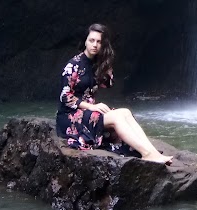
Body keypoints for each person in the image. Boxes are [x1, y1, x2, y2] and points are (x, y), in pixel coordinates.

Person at [56, 23, 171, 164]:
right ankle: (147, 154)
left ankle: (152, 152)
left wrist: (106, 60)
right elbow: (64, 97)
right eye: (91, 40)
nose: (95, 45)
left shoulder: (96, 63)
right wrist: (91, 106)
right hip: (70, 117)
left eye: (99, 42)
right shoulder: (73, 65)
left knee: (126, 112)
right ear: (85, 41)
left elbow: (108, 84)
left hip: (89, 113)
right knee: (117, 118)